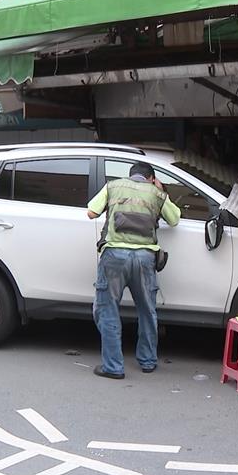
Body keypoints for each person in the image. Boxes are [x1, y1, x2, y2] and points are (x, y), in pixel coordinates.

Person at [86, 162, 181, 379]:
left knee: (108, 309)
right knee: (147, 310)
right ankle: (148, 361)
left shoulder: (113, 186)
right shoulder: (156, 192)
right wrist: (160, 190)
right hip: (145, 258)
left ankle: (113, 367)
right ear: (151, 178)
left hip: (114, 257)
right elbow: (174, 219)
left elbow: (91, 212)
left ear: (130, 176)